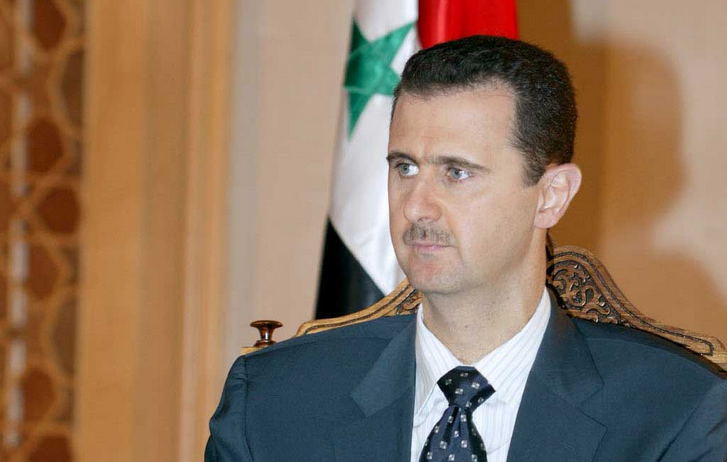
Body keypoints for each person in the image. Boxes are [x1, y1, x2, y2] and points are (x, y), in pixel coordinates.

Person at [205, 35, 727, 462]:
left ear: (551, 196)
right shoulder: (273, 401)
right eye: (405, 167)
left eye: (456, 173)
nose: (416, 207)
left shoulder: (677, 413)